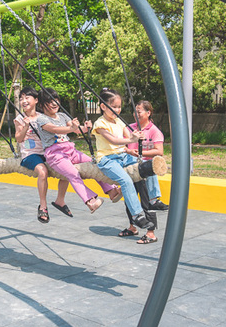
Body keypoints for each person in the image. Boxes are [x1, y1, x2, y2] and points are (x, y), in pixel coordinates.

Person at [34, 87, 120, 213]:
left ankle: (111, 191)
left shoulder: (62, 116)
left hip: (70, 151)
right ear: (41, 105)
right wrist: (70, 128)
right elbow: (55, 129)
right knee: (73, 174)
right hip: (55, 154)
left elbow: (76, 129)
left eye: (55, 99)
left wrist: (85, 128)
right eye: (49, 101)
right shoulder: (41, 119)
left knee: (94, 164)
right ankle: (90, 201)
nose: (54, 103)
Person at [91, 88, 155, 233]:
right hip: (107, 160)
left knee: (142, 171)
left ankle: (154, 199)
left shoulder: (118, 121)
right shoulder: (100, 124)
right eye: (113, 107)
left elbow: (129, 134)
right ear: (103, 106)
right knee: (126, 180)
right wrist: (130, 139)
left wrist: (136, 135)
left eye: (119, 107)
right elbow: (114, 140)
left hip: (123, 156)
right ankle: (137, 215)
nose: (117, 110)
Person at [13, 87, 71, 223]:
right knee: (42, 171)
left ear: (36, 100)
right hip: (30, 154)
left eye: (27, 97)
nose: (23, 101)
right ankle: (43, 206)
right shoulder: (20, 119)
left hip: (47, 152)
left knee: (67, 166)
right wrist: (26, 126)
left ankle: (60, 200)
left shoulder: (43, 117)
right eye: (21, 98)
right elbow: (18, 139)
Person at [127, 100, 168, 211]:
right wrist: (130, 152)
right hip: (129, 162)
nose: (136, 114)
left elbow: (159, 151)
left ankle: (153, 200)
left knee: (149, 165)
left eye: (139, 112)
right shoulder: (129, 128)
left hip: (142, 164)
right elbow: (120, 145)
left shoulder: (154, 131)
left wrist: (140, 153)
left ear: (148, 113)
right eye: (134, 112)